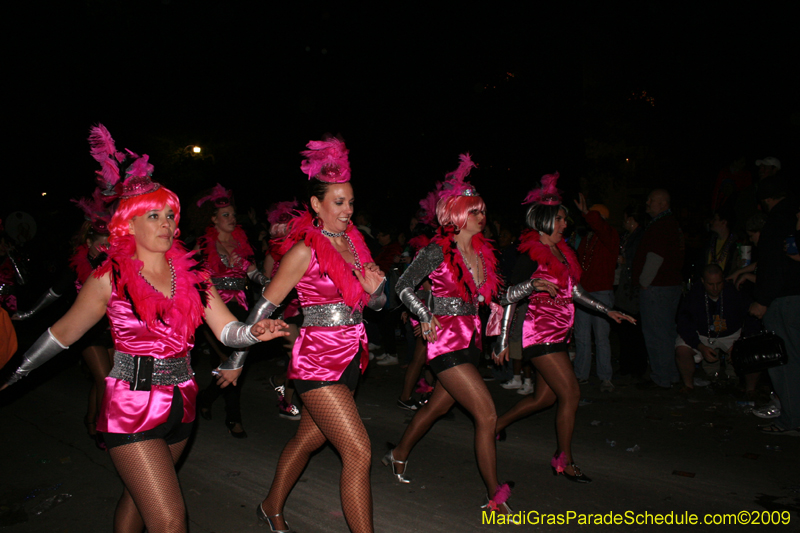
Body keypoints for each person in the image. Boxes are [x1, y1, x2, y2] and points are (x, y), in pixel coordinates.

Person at [2, 124, 288, 532]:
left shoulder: (194, 276)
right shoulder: (109, 278)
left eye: (170, 215)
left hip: (182, 401)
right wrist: (12, 375)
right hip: (132, 407)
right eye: (153, 216)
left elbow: (227, 331)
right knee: (171, 520)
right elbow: (63, 333)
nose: (166, 224)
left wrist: (254, 333)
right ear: (128, 224)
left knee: (138, 501)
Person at [236, 137, 385, 533]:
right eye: (338, 202)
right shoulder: (303, 251)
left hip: (352, 356)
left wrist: (378, 293)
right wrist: (235, 357)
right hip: (317, 363)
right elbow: (264, 306)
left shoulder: (356, 243)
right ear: (317, 204)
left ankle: (270, 506)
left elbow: (377, 303)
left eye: (351, 202)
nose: (348, 210)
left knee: (308, 441)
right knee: (358, 451)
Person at [384, 154, 511, 513]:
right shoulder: (437, 251)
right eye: (475, 210)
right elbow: (404, 285)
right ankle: (493, 494)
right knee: (486, 415)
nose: (482, 216)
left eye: (483, 210)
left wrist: (535, 285)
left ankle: (398, 453)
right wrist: (424, 314)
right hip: (444, 342)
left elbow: (499, 297)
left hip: (471, 343)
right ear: (456, 214)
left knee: (436, 408)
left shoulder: (484, 254)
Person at [493, 173, 634, 484]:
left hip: (559, 333)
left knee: (544, 399)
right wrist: (503, 341)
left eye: (564, 220)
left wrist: (607, 310)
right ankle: (564, 461)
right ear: (544, 220)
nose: (565, 225)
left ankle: (494, 425)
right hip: (538, 334)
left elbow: (576, 292)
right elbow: (507, 296)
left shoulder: (562, 253)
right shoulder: (530, 253)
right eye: (559, 219)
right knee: (571, 393)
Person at [14, 189, 113, 445]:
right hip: (87, 331)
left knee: (108, 378)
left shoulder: (115, 266)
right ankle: (102, 428)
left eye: (110, 244)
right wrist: (28, 312)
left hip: (113, 329)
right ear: (89, 243)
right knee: (105, 378)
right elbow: (54, 292)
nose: (106, 249)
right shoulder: (77, 264)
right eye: (102, 244)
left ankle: (91, 418)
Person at [193, 183, 268, 438]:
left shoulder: (240, 243)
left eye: (234, 215)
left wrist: (269, 283)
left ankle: (206, 397)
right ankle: (233, 418)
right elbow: (190, 276)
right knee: (226, 362)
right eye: (226, 215)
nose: (232, 219)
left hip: (241, 308)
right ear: (214, 219)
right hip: (216, 309)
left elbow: (253, 273)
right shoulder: (203, 246)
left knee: (233, 363)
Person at [749, 177, 800, 435]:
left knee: (784, 361)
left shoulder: (778, 221)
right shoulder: (794, 215)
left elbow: (774, 265)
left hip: (784, 299)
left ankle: (791, 420)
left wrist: (763, 300)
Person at [675, 264, 756, 393]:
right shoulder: (694, 294)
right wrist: (699, 345)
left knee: (753, 350)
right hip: (703, 334)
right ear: (703, 281)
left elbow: (752, 319)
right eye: (710, 284)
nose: (715, 288)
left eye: (718, 283)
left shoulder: (735, 291)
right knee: (681, 350)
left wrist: (740, 342)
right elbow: (684, 323)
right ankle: (688, 385)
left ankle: (751, 390)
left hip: (732, 333)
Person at [633, 189, 685, 389]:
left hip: (658, 286)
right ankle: (669, 374)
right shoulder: (669, 224)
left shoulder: (661, 226)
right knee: (665, 331)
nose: (647, 202)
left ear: (663, 204)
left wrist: (645, 282)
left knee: (656, 333)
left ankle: (661, 377)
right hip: (668, 285)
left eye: (651, 200)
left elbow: (655, 256)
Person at [572, 196, 620, 392]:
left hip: (601, 292)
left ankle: (605, 377)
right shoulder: (587, 239)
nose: (588, 220)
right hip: (585, 293)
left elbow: (600, 226)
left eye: (593, 216)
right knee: (582, 336)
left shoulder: (609, 236)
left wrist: (586, 212)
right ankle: (580, 375)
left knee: (601, 338)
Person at [614, 202, 647, 378]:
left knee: (633, 329)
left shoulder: (640, 237)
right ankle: (627, 365)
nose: (623, 222)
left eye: (625, 218)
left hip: (633, 292)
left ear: (631, 219)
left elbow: (638, 262)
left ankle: (636, 367)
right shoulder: (627, 236)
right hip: (624, 289)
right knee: (625, 330)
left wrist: (625, 262)